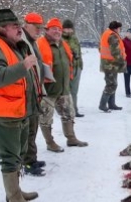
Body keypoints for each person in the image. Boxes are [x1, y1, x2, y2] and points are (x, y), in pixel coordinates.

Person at [0, 9, 41, 202]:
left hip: (18, 110)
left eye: (18, 25)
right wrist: (23, 66)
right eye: (14, 26)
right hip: (5, 112)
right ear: (2, 28)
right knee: (9, 156)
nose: (19, 29)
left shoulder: (13, 46)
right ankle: (14, 199)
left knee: (18, 153)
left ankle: (15, 191)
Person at [37, 18, 88, 150]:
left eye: (59, 29)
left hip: (63, 88)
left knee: (68, 114)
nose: (57, 32)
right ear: (47, 30)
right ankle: (50, 143)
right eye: (54, 29)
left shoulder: (62, 44)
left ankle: (71, 138)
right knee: (46, 118)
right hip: (47, 90)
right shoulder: (40, 44)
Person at [20, 12, 46, 177]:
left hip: (35, 91)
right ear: (26, 24)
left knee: (33, 127)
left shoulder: (32, 42)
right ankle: (27, 163)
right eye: (36, 27)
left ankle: (32, 158)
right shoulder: (22, 42)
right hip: (26, 93)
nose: (38, 31)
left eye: (40, 28)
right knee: (28, 130)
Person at [99, 21, 127, 112]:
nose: (120, 30)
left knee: (113, 83)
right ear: (116, 28)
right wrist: (121, 61)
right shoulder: (112, 36)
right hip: (111, 64)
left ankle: (111, 104)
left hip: (109, 63)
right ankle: (103, 104)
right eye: (119, 28)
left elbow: (100, 48)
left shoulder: (106, 34)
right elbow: (115, 51)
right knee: (111, 84)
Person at [62, 19, 84, 117]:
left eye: (70, 28)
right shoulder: (60, 39)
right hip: (65, 68)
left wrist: (80, 65)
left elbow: (79, 52)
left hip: (76, 67)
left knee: (74, 91)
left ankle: (74, 109)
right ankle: (65, 109)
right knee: (65, 90)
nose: (68, 31)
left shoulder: (74, 38)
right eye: (66, 28)